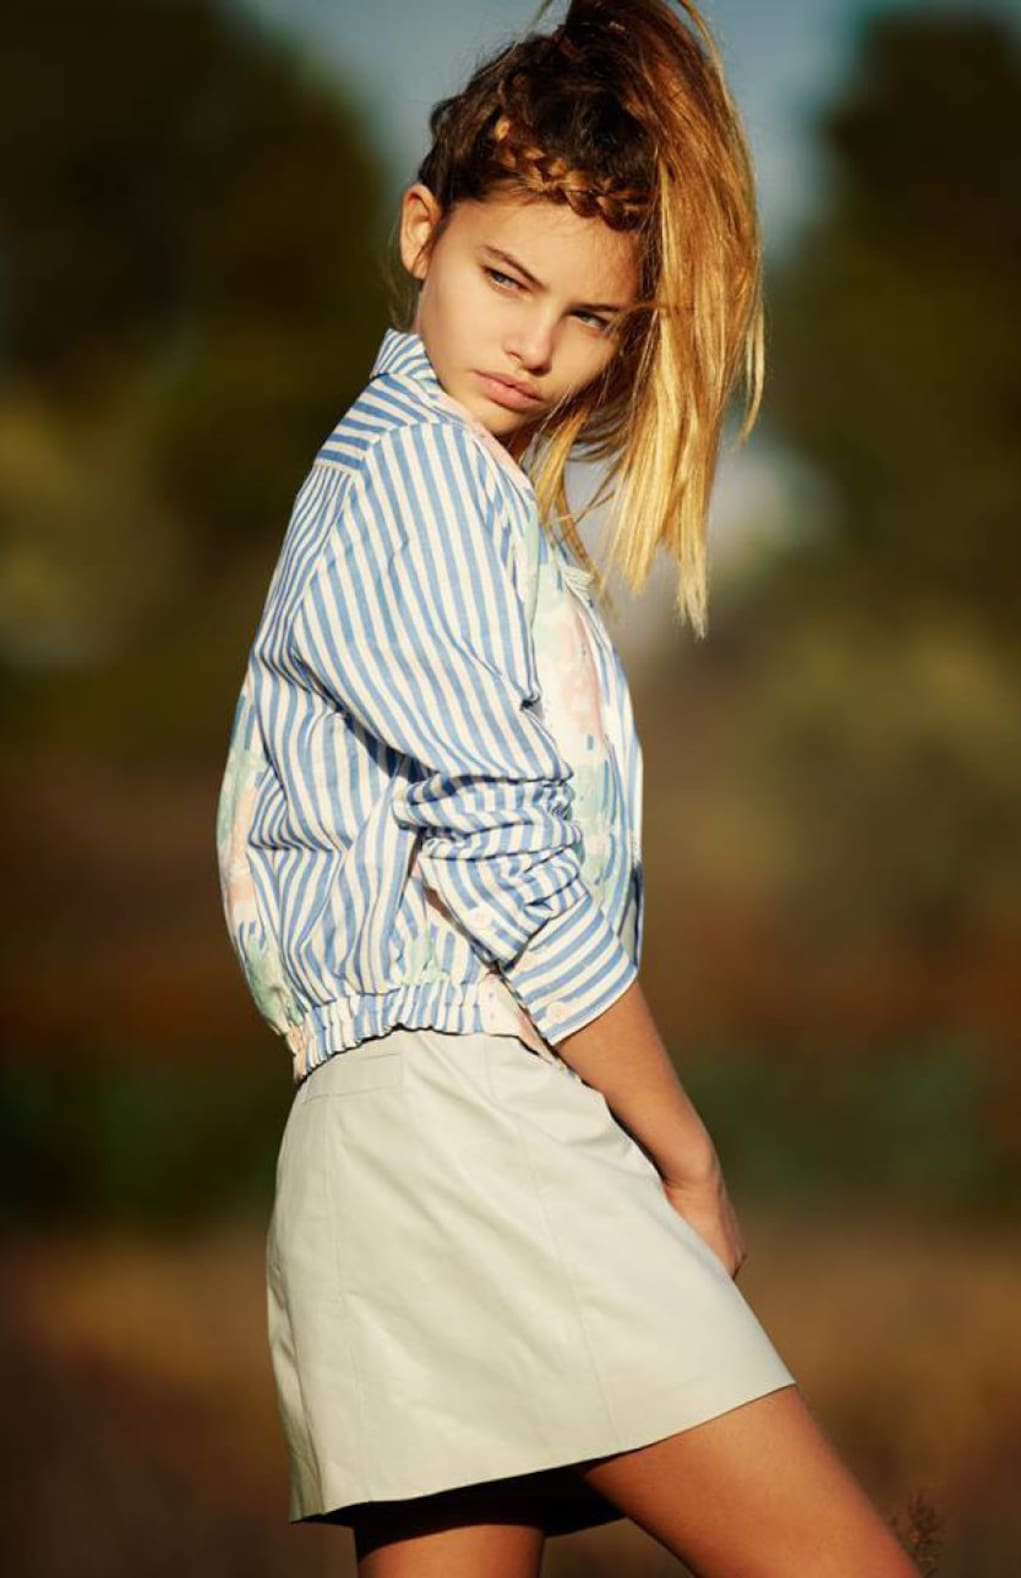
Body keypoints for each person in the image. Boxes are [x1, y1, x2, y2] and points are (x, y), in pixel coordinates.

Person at [215, 2, 921, 1574]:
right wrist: (684, 1151)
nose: (535, 347)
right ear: (422, 233)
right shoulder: (417, 491)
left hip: (384, 1154)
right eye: (504, 279)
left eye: (591, 317)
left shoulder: (446, 493)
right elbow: (513, 876)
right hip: (470, 1130)